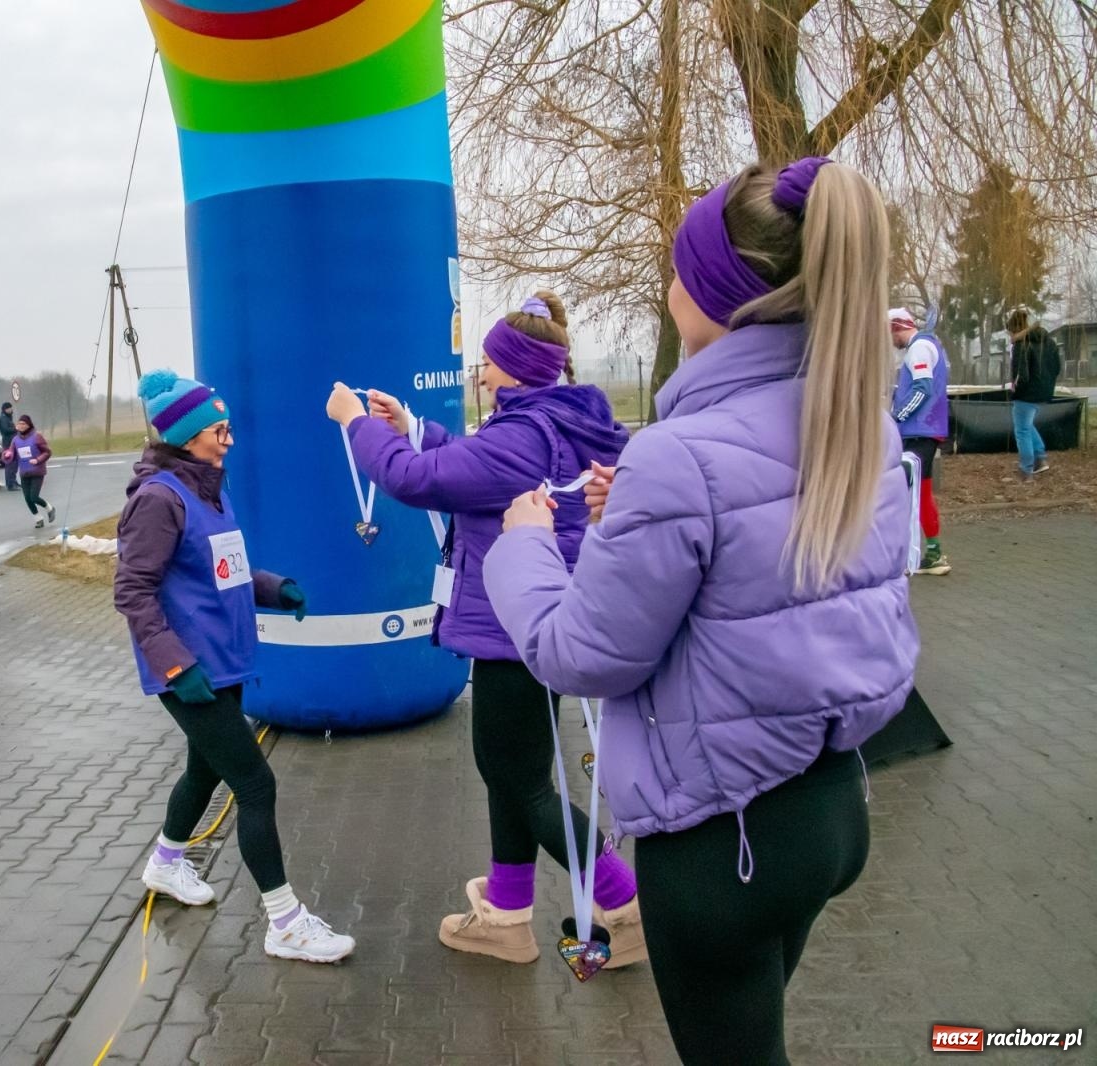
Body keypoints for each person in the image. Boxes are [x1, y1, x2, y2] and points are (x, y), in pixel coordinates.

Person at [483, 158, 917, 1065]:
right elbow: (771, 577)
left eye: (680, 269)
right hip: (831, 814)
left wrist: (520, 544)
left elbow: (580, 656)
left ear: (715, 298)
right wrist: (633, 512)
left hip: (726, 845)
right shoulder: (860, 421)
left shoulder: (680, 456)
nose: (669, 286)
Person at [323, 291, 644, 969]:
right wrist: (411, 423)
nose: (482, 374)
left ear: (516, 368)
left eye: (490, 364)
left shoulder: (523, 434)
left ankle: (627, 907)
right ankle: (505, 915)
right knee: (515, 774)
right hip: (535, 620)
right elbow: (465, 466)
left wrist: (357, 425)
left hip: (511, 627)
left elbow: (416, 480)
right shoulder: (546, 421)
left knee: (518, 780)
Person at [115, 368, 354, 965]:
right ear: (186, 437)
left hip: (222, 664)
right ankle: (285, 922)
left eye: (228, 428)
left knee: (205, 771)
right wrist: (175, 667)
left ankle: (166, 864)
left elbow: (221, 569)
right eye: (218, 430)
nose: (228, 439)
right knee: (255, 782)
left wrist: (275, 590)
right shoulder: (158, 499)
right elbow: (132, 590)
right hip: (191, 671)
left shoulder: (207, 491)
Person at [889, 308, 951, 574]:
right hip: (926, 430)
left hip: (918, 430)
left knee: (905, 493)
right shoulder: (928, 345)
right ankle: (934, 554)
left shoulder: (918, 349)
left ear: (897, 328)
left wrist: (897, 416)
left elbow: (922, 387)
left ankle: (902, 557)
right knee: (921, 493)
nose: (891, 342)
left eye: (889, 334)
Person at [1006, 306, 1061, 481]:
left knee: (1021, 429)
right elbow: (1057, 367)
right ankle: (1040, 458)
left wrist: (1015, 388)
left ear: (1016, 329)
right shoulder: (1049, 342)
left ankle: (1026, 470)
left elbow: (1021, 374)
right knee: (1027, 425)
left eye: (1010, 332)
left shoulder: (1022, 344)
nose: (1010, 336)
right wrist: (1047, 385)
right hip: (1044, 391)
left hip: (1026, 394)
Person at [6, 415, 56, 528]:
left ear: (29, 425)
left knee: (34, 497)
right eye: (19, 424)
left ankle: (50, 508)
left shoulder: (37, 436)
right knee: (27, 498)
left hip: (37, 472)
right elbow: (11, 454)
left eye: (23, 424)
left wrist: (38, 460)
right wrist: (7, 454)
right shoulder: (15, 440)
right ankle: (38, 519)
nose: (21, 426)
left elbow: (47, 452)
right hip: (24, 472)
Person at [0, 401, 19, 492]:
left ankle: (14, 481)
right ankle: (10, 484)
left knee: (14, 464)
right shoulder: (3, 418)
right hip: (8, 444)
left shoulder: (8, 417)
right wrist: (16, 429)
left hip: (12, 443)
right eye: (9, 408)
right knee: (10, 464)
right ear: (5, 409)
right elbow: (5, 430)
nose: (11, 409)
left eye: (11, 408)